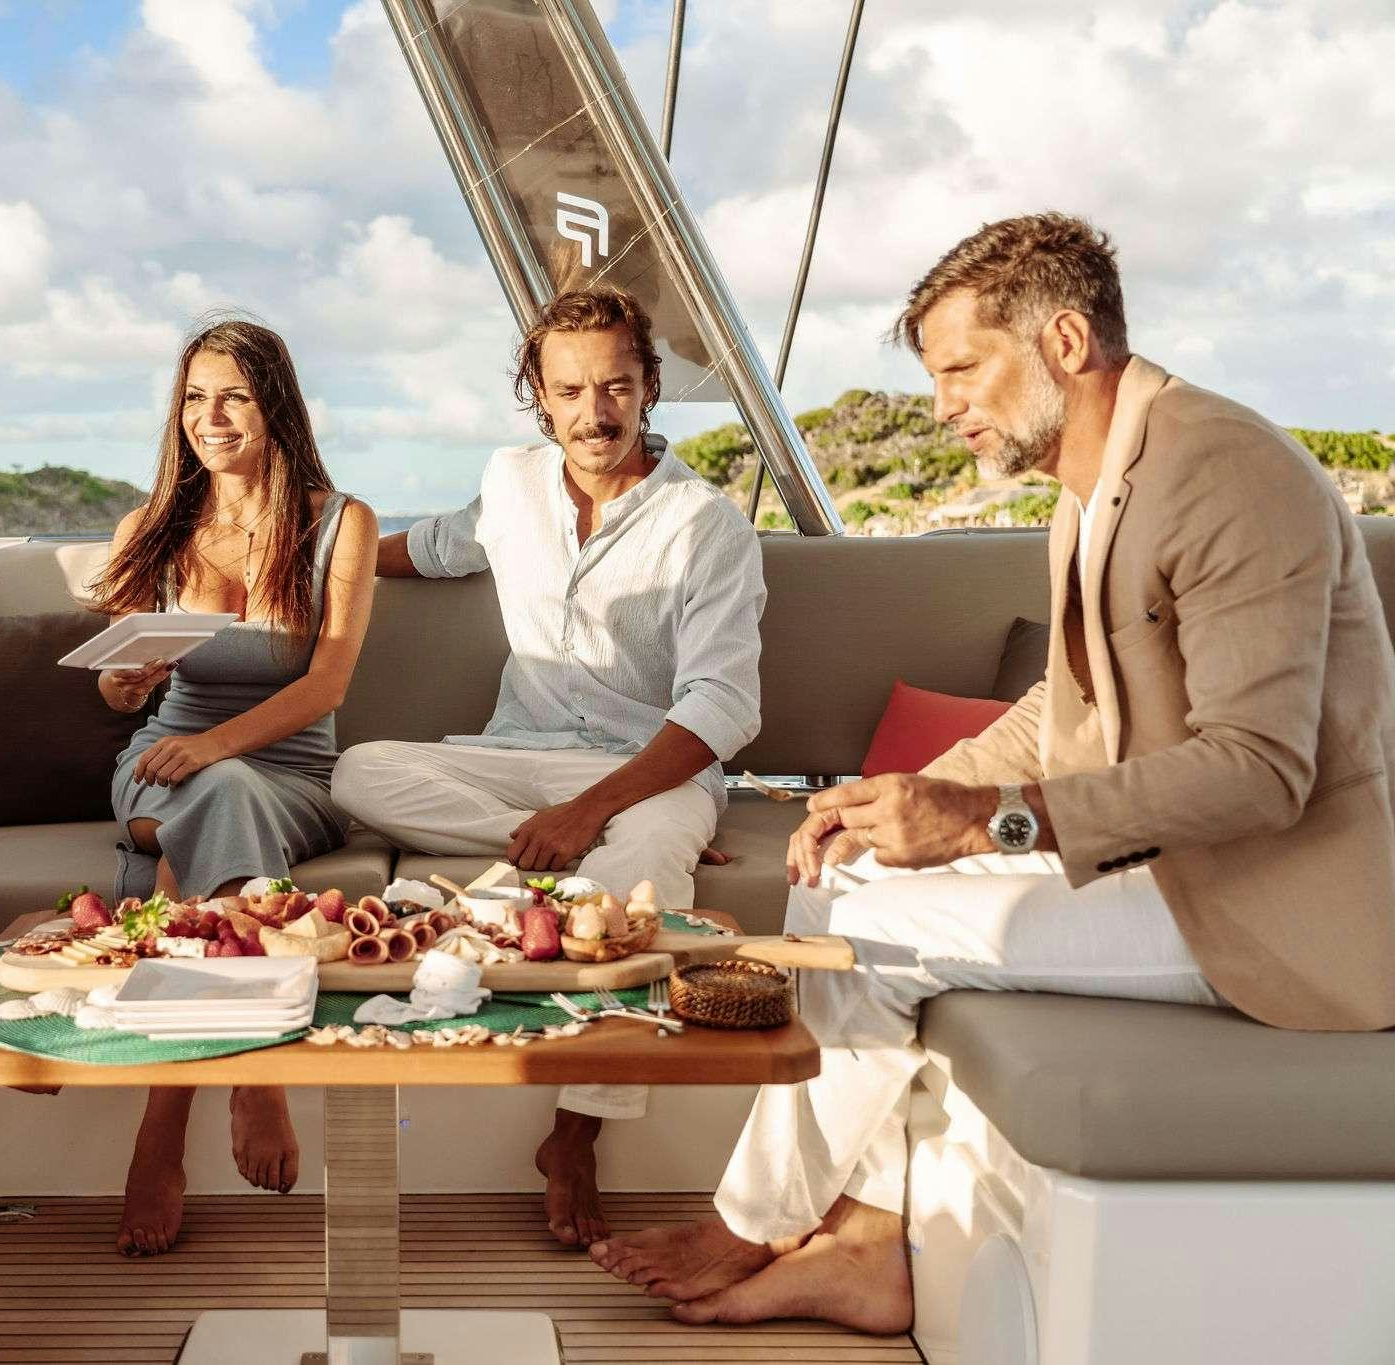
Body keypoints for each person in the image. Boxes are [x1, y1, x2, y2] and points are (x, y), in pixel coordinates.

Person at [592, 211, 1395, 1332]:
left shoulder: (1224, 473)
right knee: (842, 879)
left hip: (1265, 908)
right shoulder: (1098, 484)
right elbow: (1053, 711)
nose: (942, 404)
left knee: (873, 935)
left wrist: (986, 823)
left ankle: (752, 1227)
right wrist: (893, 803)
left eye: (963, 368)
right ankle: (866, 1247)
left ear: (1062, 344)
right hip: (1166, 872)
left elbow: (1260, 772)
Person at [329, 284, 767, 1247]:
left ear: (651, 386)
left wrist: (600, 808)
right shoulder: (511, 483)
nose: (594, 413)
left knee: (641, 855)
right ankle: (595, 872)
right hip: (512, 760)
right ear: (539, 392)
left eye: (616, 386)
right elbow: (432, 547)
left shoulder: (709, 527)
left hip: (646, 769)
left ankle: (574, 1131)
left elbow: (723, 707)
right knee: (360, 771)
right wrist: (304, 564)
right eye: (570, 390)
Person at [90, 316, 378, 1257]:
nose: (208, 417)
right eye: (193, 397)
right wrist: (125, 683)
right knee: (212, 793)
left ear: (275, 408)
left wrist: (218, 746)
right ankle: (256, 1066)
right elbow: (116, 679)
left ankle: (160, 1127)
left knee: (230, 795)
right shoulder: (153, 526)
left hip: (288, 774)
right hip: (159, 765)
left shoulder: (344, 523)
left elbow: (327, 684)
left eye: (232, 397)